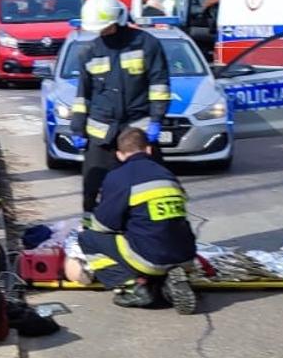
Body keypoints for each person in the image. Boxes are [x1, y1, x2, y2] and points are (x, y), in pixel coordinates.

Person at [67, 0, 171, 220]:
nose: (102, 32)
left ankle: (147, 228)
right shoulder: (89, 52)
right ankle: (91, 231)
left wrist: (156, 120)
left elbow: (159, 85)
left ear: (118, 19)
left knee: (150, 185)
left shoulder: (146, 44)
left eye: (105, 27)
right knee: (92, 189)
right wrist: (77, 127)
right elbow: (82, 95)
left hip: (136, 132)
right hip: (101, 135)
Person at [79, 128, 199, 313]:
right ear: (149, 150)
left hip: (150, 258)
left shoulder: (118, 177)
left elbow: (103, 225)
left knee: (88, 238)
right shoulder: (167, 174)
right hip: (186, 254)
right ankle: (169, 280)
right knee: (151, 233)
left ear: (119, 155)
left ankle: (133, 287)